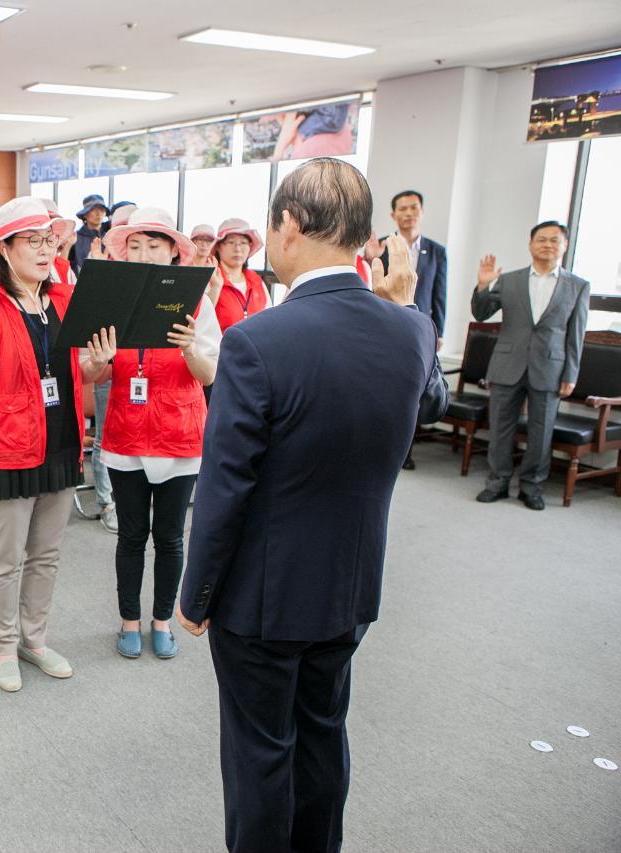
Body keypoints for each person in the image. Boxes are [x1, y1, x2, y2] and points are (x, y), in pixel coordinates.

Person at [175, 158, 449, 853]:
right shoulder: (410, 330)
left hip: (263, 598)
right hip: (350, 587)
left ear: (290, 226)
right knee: (323, 738)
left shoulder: (258, 340)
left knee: (261, 756)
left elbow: (225, 486)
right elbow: (432, 402)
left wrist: (196, 594)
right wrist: (403, 303)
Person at [0, 196, 115, 693]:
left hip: (64, 441)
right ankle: (3, 645)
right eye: (34, 240)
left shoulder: (66, 299)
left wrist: (99, 362)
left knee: (46, 554)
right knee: (7, 559)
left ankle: (35, 638)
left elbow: (84, 373)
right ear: (4, 250)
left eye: (50, 239)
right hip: (9, 445)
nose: (47, 249)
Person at [100, 208, 221, 660]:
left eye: (153, 245)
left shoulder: (196, 301)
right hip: (126, 435)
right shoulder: (115, 299)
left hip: (178, 434)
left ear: (173, 251)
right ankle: (129, 621)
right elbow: (95, 371)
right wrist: (98, 359)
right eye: (135, 245)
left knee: (170, 537)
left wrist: (190, 348)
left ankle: (162, 620)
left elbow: (208, 373)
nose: (144, 253)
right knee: (131, 537)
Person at [472, 221, 589, 511]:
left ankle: (531, 487)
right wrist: (484, 286)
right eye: (541, 239)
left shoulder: (577, 286)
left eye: (554, 240)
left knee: (541, 431)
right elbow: (482, 313)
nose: (548, 244)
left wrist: (570, 374)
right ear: (531, 244)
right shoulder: (510, 280)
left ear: (563, 246)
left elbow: (576, 334)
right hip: (507, 364)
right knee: (500, 429)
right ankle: (497, 482)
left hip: (550, 368)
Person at [366, 190, 449, 469]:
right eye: (402, 209)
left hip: (419, 328)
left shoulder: (436, 251)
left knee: (413, 390)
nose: (408, 213)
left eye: (414, 208)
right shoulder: (380, 247)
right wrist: (370, 260)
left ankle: (406, 451)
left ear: (422, 212)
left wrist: (438, 333)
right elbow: (370, 287)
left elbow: (440, 295)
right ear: (393, 215)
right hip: (385, 325)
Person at [68, 193, 108, 276]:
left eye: (101, 209)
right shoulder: (74, 238)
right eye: (93, 209)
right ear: (85, 214)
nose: (98, 213)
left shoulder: (109, 237)